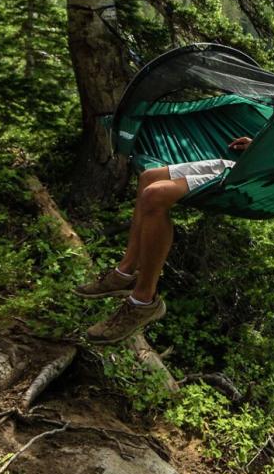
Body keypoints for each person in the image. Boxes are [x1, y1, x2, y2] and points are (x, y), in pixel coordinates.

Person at [73, 135, 254, 344]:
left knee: (154, 195)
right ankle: (125, 273)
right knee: (149, 178)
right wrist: (259, 144)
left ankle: (144, 300)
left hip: (257, 175)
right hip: (243, 161)